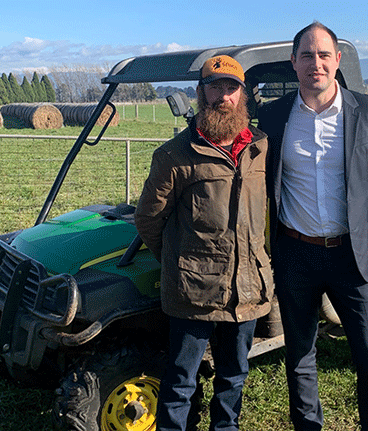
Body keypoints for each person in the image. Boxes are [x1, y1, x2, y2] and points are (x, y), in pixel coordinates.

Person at [257, 22, 368, 431]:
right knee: (299, 356)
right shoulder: (273, 117)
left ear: (337, 61)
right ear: (294, 63)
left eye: (324, 55)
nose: (316, 64)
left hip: (354, 255)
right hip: (295, 254)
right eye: (307, 55)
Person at [135, 55, 273, 431]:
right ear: (200, 93)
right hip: (193, 295)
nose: (223, 96)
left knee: (234, 376)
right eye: (215, 87)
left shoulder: (260, 148)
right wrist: (181, 264)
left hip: (246, 289)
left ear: (243, 96)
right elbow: (148, 219)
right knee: (180, 381)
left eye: (231, 88)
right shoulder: (174, 156)